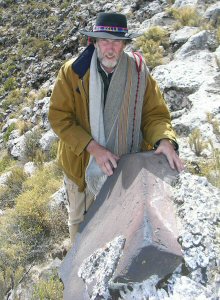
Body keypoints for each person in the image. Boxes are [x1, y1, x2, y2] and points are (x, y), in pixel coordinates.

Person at [48, 12, 184, 243]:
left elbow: (154, 114)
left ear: (124, 44)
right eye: (104, 40)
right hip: (81, 165)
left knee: (119, 223)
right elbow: (59, 117)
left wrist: (164, 140)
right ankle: (77, 276)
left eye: (116, 41)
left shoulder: (139, 73)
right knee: (80, 226)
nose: (110, 48)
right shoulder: (73, 73)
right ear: (94, 42)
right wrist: (94, 148)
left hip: (124, 163)